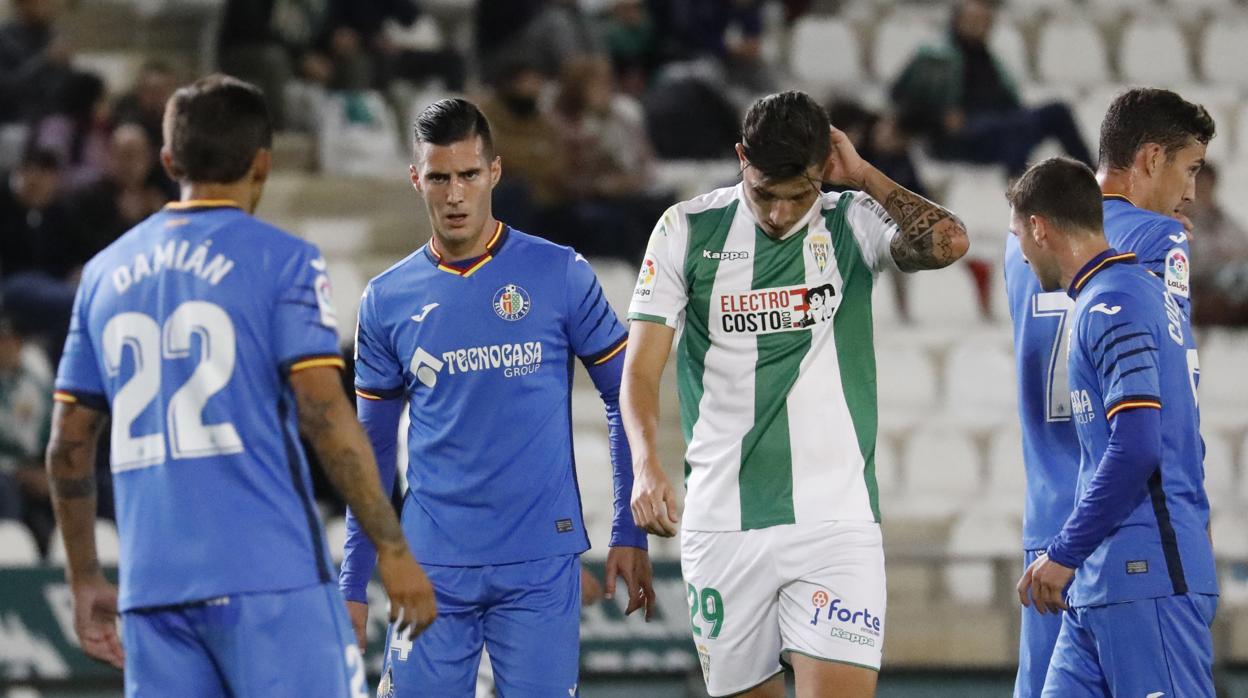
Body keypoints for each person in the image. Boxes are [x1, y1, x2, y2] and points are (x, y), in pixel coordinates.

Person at [46, 74, 435, 695]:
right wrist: (391, 546)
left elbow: (69, 444)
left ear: (169, 161)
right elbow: (323, 414)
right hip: (269, 576)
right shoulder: (283, 260)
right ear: (262, 164)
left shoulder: (102, 275)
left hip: (152, 590)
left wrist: (84, 575)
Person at [621, 90, 970, 698]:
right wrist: (646, 465)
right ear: (741, 159)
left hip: (835, 523)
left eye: (799, 194)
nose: (781, 214)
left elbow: (950, 242)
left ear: (823, 169)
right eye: (765, 194)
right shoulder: (686, 229)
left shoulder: (850, 220)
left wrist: (864, 175)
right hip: (723, 524)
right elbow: (641, 371)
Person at [338, 98, 653, 697]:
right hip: (430, 566)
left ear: (495, 172)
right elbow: (370, 448)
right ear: (416, 179)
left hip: (539, 564)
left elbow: (624, 395)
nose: (455, 194)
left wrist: (628, 529)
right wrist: (353, 581)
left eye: (468, 174)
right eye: (439, 178)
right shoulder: (385, 299)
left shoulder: (558, 273)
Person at [1002, 86, 1216, 697]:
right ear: (1151, 158)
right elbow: (1173, 387)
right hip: (1127, 522)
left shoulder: (1027, 240)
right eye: (1189, 169)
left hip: (1050, 522)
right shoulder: (1156, 241)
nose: (1190, 192)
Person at [890, 0, 1091, 177]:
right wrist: (940, 119)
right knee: (1015, 130)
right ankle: (1020, 189)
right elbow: (899, 99)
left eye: (984, 20)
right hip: (957, 137)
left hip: (1001, 127)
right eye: (972, 19)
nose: (978, 25)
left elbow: (1011, 104)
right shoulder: (933, 58)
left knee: (1057, 112)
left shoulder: (993, 61)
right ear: (957, 20)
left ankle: (1094, 181)